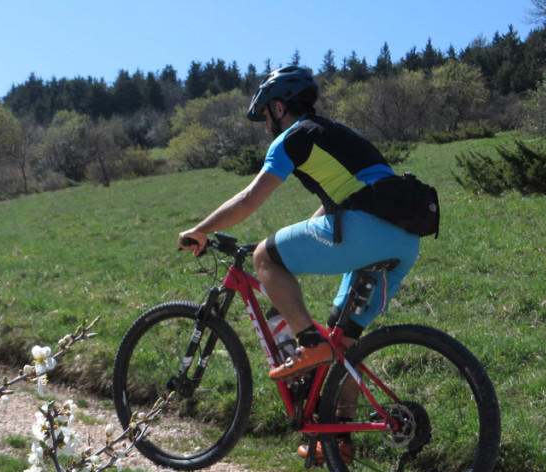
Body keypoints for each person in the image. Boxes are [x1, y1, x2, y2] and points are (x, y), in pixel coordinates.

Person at [178, 66, 421, 389]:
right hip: (405, 240)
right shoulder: (339, 133)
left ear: (279, 108)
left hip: (368, 229)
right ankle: (339, 438)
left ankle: (309, 342)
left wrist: (201, 230)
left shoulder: (292, 138)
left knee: (265, 256)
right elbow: (347, 198)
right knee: (343, 349)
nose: (266, 125)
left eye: (266, 115)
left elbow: (249, 200)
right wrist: (304, 232)